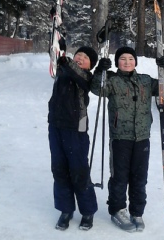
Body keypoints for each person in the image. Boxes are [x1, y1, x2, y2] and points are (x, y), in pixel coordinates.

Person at [91, 46, 164, 233]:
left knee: (139, 178)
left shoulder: (145, 80)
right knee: (119, 177)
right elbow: (97, 89)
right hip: (120, 137)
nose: (127, 62)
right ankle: (117, 210)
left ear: (135, 62)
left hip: (142, 137)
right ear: (117, 62)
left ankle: (136, 212)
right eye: (123, 59)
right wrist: (99, 71)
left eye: (130, 58)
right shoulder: (112, 80)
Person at [48, 46, 98, 231]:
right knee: (59, 169)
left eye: (85, 57)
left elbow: (79, 75)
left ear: (90, 65)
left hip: (76, 128)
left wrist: (67, 61)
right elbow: (54, 55)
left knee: (79, 170)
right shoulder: (61, 69)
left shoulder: (87, 77)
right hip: (56, 126)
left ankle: (87, 211)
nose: (80, 58)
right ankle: (65, 210)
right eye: (79, 55)